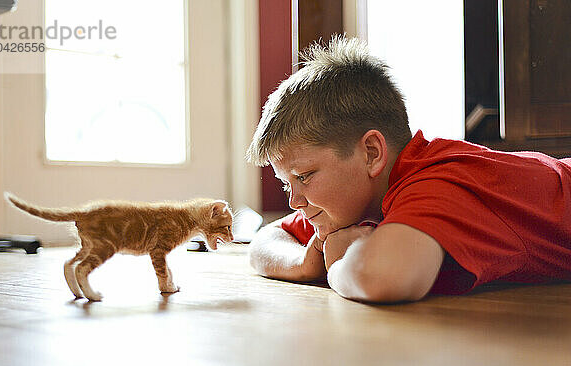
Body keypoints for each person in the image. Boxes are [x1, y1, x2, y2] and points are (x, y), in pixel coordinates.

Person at [245, 36, 571, 303]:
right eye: (288, 184)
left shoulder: (437, 180)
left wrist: (339, 262)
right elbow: (266, 240)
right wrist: (304, 262)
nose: (294, 202)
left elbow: (382, 277)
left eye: (303, 177)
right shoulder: (351, 201)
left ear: (371, 153)